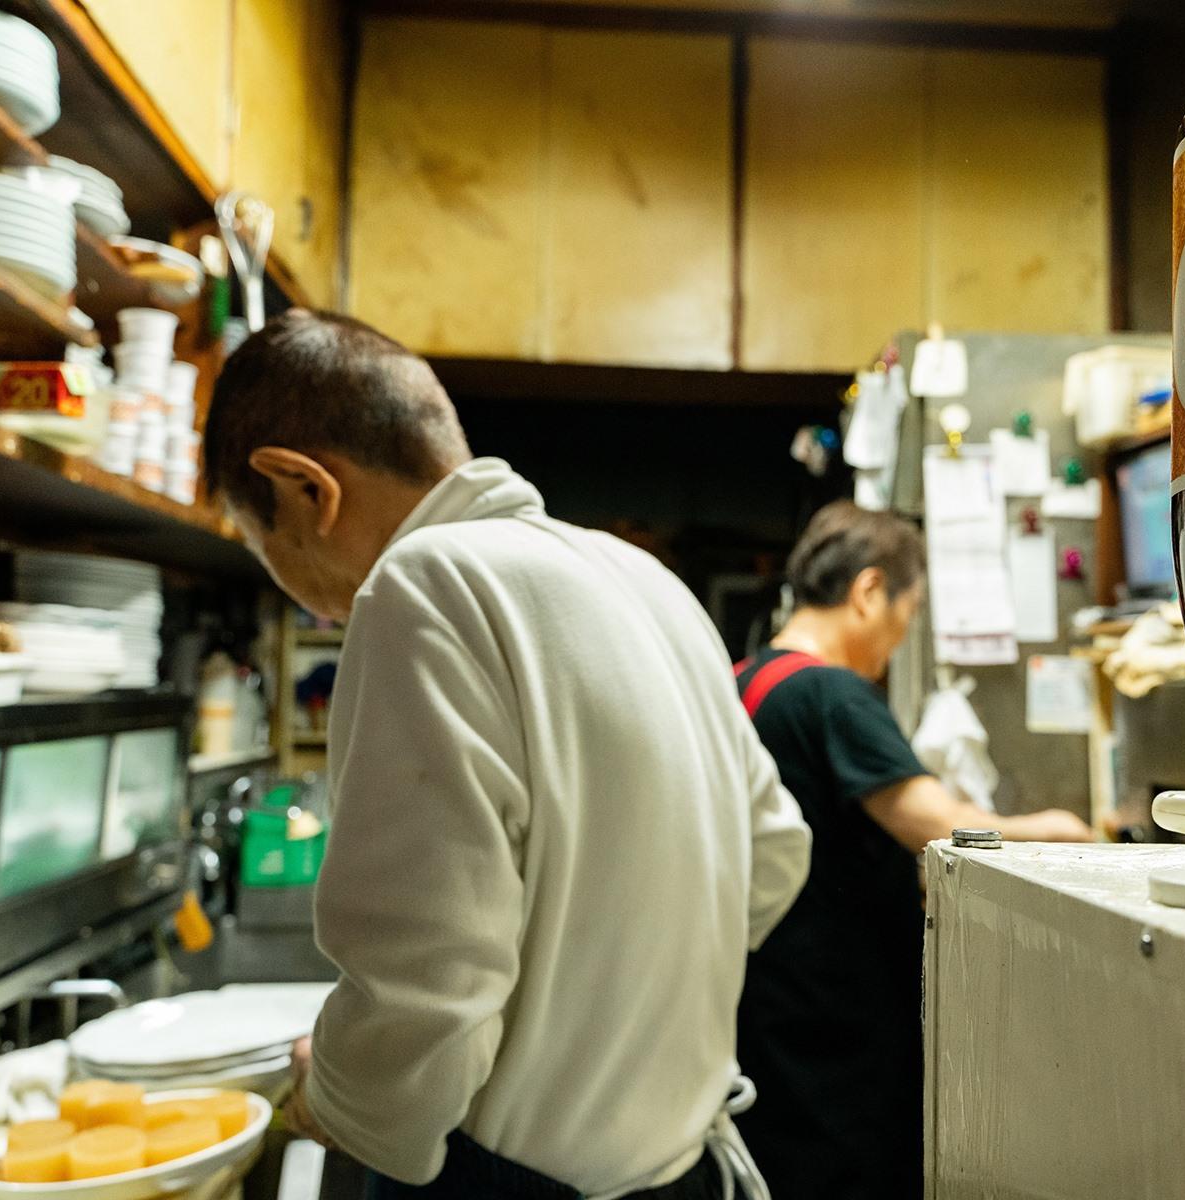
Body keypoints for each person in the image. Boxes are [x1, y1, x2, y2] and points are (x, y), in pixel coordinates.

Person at [202, 310, 812, 1199]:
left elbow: (424, 978)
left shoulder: (421, 585)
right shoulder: (650, 583)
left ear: (303, 488)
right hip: (686, 1169)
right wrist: (613, 989)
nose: (294, 588)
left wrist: (337, 1091)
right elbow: (776, 855)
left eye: (267, 549)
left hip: (518, 1184)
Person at [733, 501, 1092, 1200]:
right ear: (870, 591)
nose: (901, 635)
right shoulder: (831, 693)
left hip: (769, 1005)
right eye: (909, 610)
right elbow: (933, 823)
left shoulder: (749, 678)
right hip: (833, 1026)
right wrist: (1058, 828)